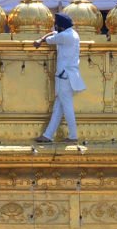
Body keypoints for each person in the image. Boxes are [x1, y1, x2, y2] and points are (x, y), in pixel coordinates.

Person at [33, 13, 86, 143]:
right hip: (68, 75)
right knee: (59, 107)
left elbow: (50, 38)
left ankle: (73, 136)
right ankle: (47, 135)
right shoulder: (72, 34)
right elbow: (53, 33)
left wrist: (40, 40)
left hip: (64, 76)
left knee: (67, 107)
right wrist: (44, 37)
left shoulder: (64, 36)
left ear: (61, 26)